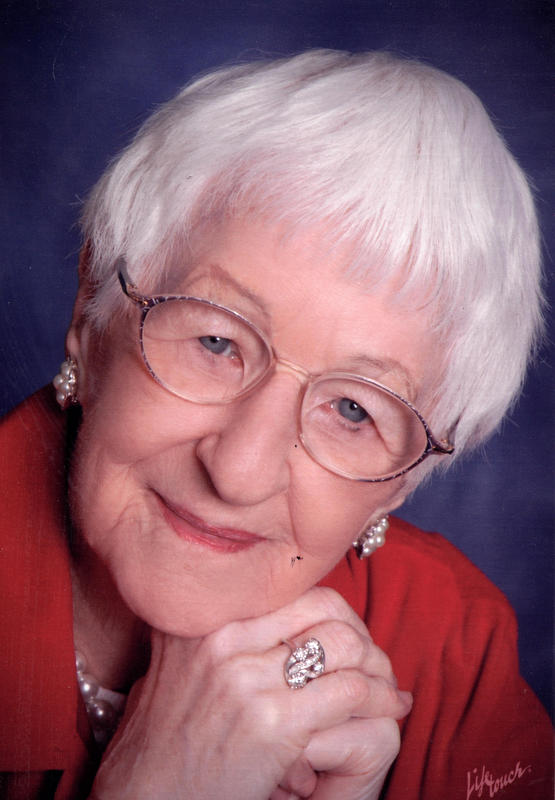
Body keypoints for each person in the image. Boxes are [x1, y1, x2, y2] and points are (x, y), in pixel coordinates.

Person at [0, 49, 551, 800]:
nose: (239, 471)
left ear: (403, 481)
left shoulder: (453, 644)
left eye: (354, 410)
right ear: (90, 312)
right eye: (215, 342)